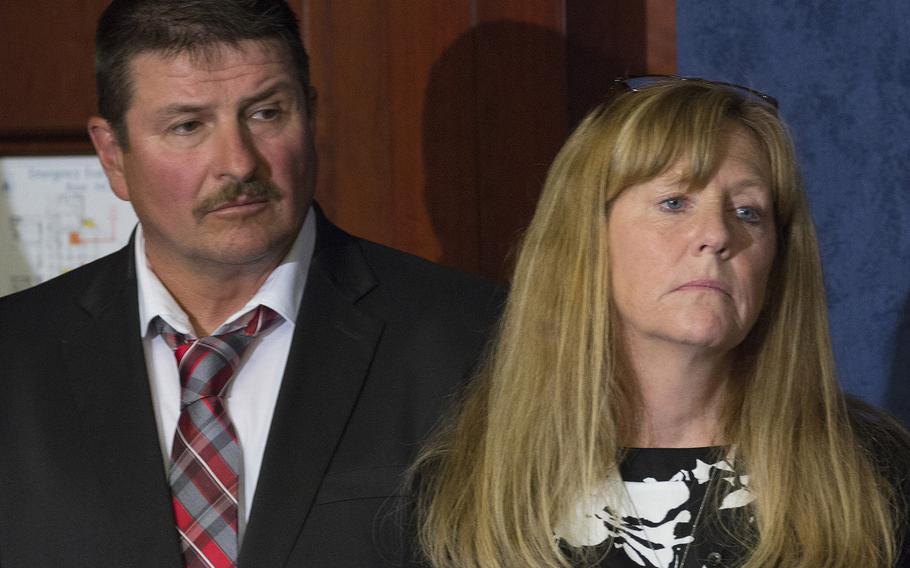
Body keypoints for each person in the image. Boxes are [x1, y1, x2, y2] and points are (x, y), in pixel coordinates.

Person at [0, 1, 500, 566]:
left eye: (265, 114)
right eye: (188, 125)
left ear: (309, 115)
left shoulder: (475, 341)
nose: (237, 164)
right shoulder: (14, 354)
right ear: (113, 155)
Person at [411, 77, 910, 568]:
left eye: (747, 211)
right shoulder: (467, 483)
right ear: (587, 238)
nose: (717, 234)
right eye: (675, 202)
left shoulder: (875, 474)